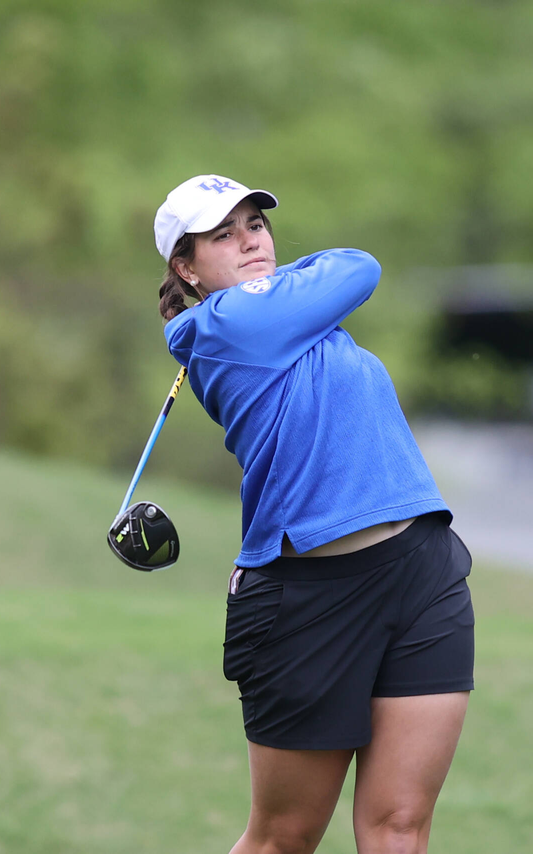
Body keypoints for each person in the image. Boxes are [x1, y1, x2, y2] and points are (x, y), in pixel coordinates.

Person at [154, 174, 475, 854]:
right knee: (284, 838)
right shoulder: (223, 327)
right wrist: (293, 287)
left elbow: (342, 275)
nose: (250, 242)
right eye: (223, 235)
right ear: (185, 268)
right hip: (309, 596)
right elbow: (359, 267)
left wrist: (288, 288)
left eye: (255, 226)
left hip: (421, 570)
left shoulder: (291, 314)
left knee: (400, 827)